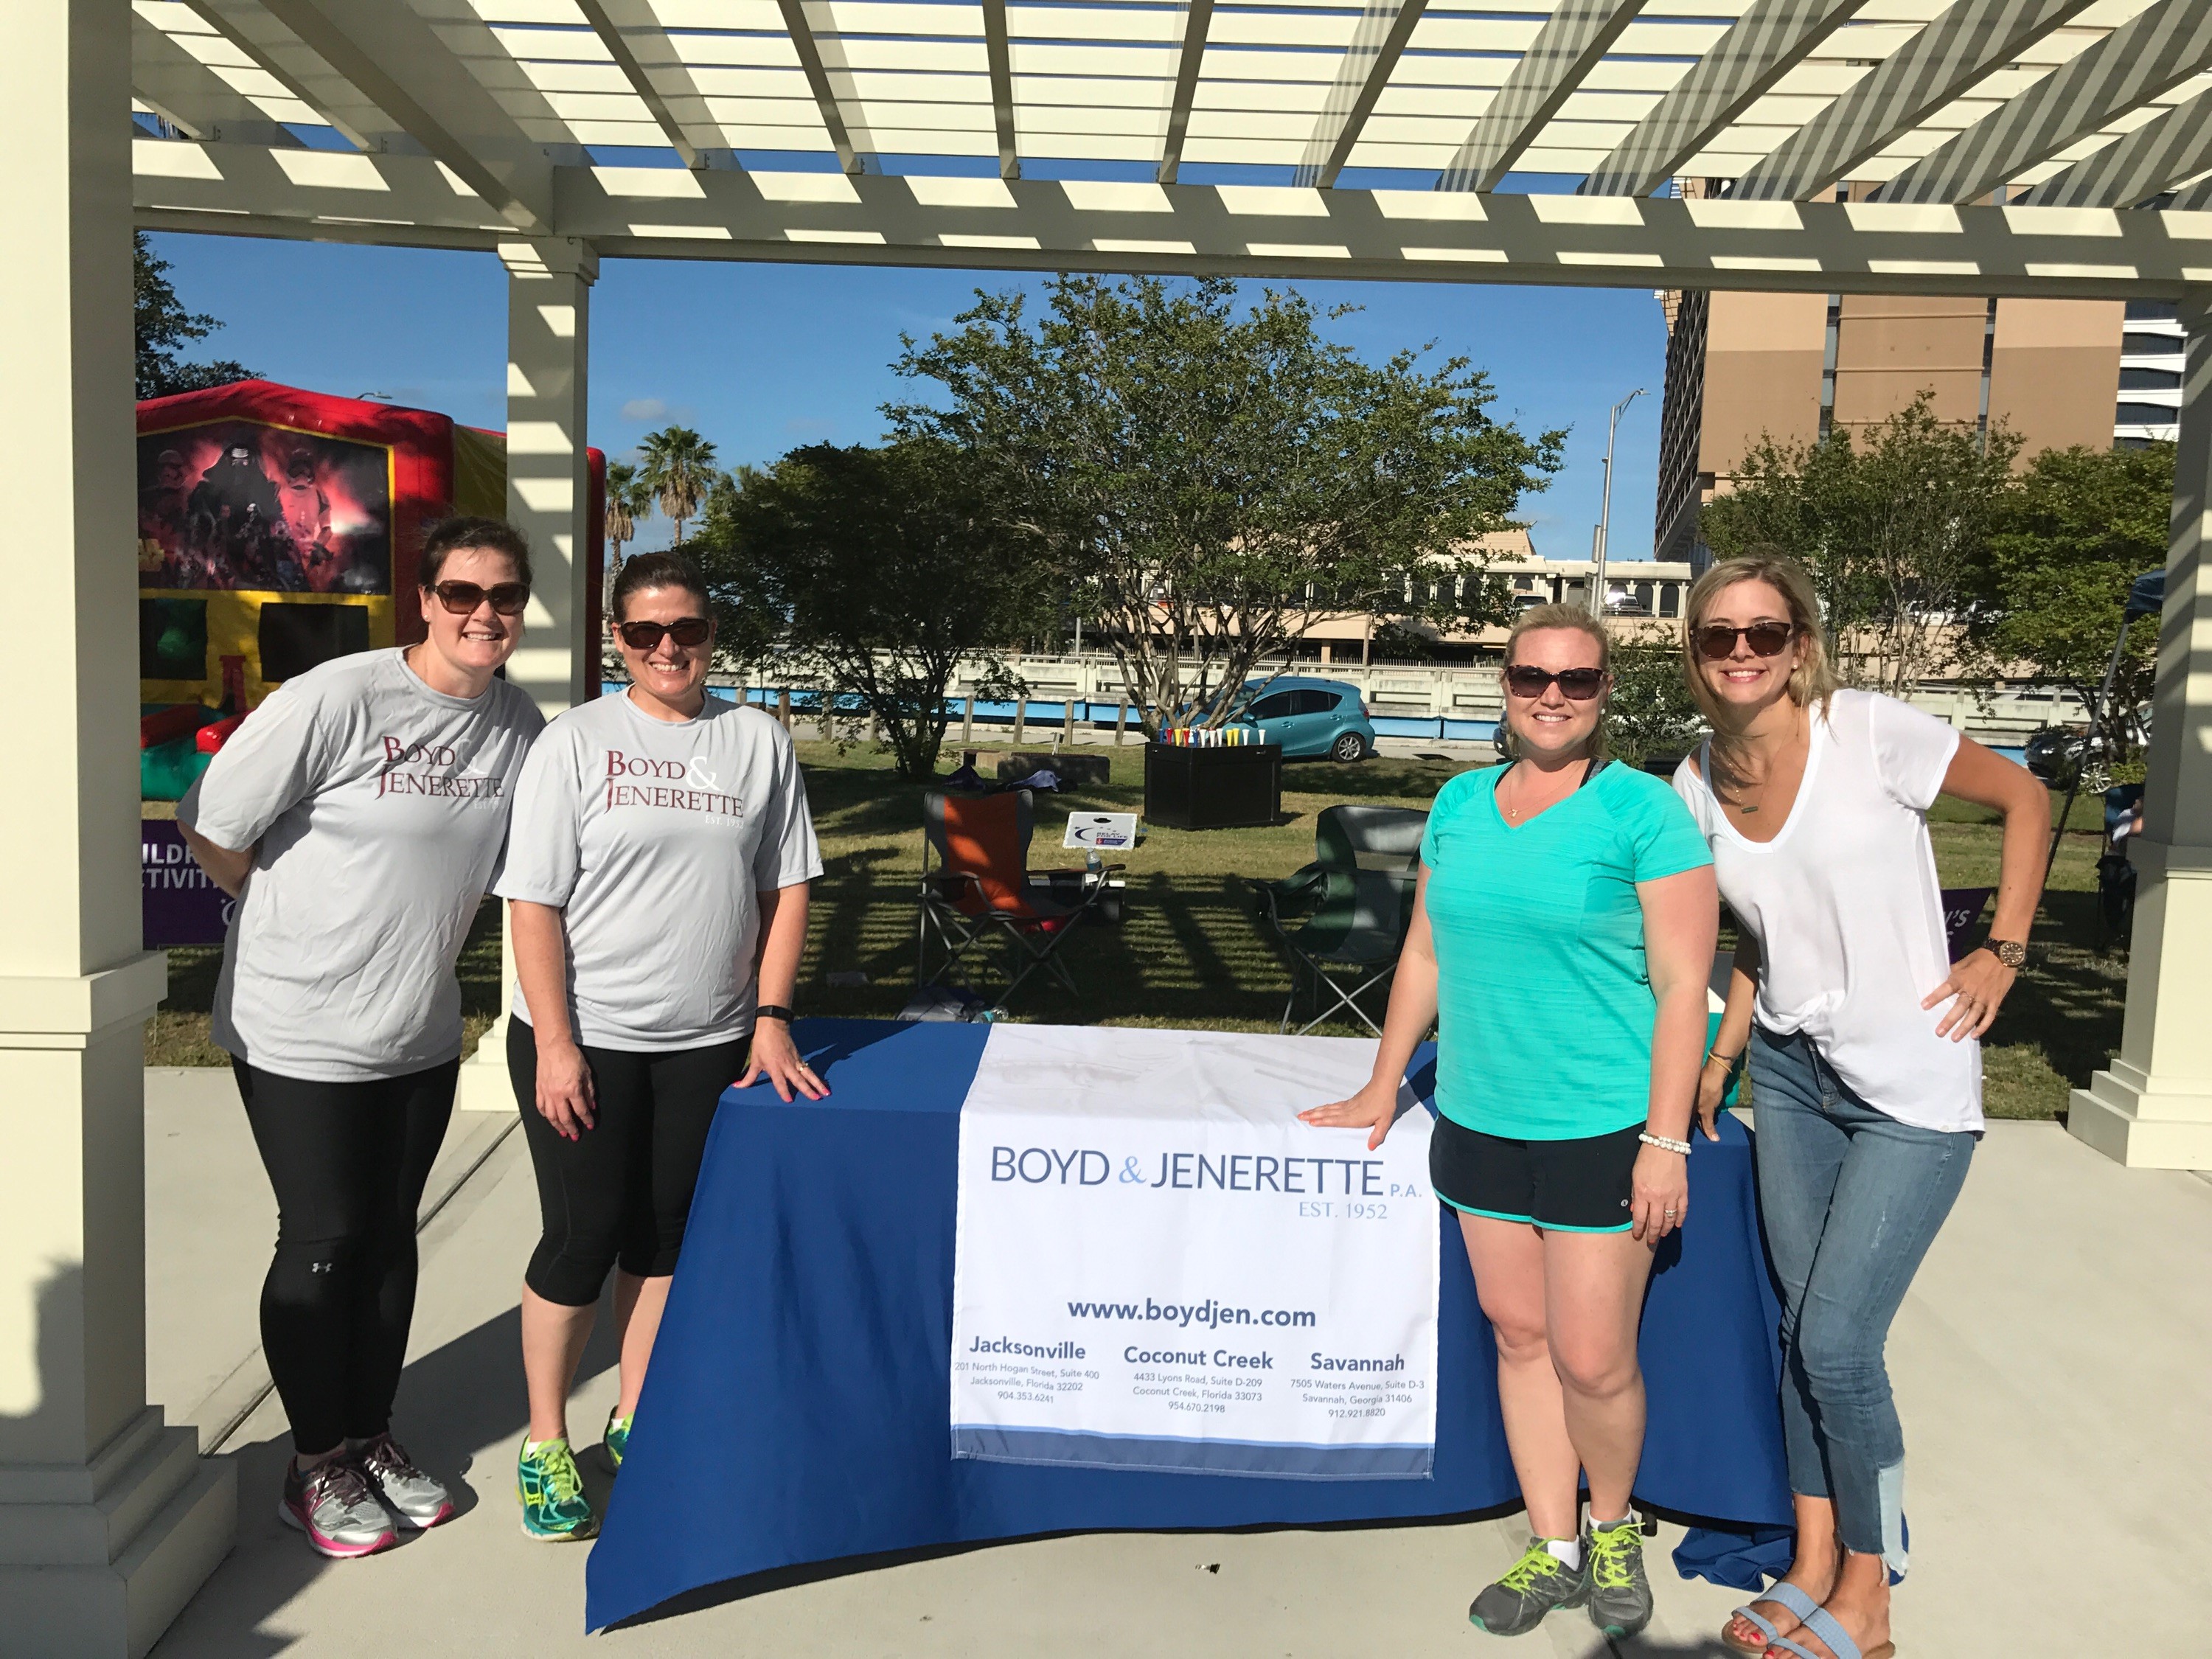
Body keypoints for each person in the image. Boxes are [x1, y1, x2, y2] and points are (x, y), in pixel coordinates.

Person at [1303, 603, 1717, 1641]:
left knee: (1591, 1356)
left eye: (1576, 680)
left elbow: (1681, 986)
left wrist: (1663, 1140)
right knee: (1521, 1335)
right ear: (1505, 683)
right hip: (1480, 1119)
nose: (1551, 695)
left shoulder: (1645, 814)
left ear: (1605, 691)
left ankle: (1612, 1525)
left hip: (1600, 1127)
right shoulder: (1456, 803)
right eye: (1533, 675)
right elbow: (1425, 955)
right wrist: (1382, 1081)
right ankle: (1554, 1542)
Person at [1675, 552, 2048, 1659]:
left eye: (1765, 632)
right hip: (1790, 1074)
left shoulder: (1868, 731)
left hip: (1911, 1086)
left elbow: (2024, 795)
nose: (1743, 651)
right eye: (1719, 635)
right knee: (1799, 1328)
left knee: (1839, 1341)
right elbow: (1761, 926)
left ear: (1801, 642)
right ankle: (1811, 1560)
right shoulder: (1699, 778)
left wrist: (2005, 950)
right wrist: (1726, 1045)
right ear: (1695, 655)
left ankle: (1871, 1598)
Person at [178, 517, 544, 1559]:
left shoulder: (519, 725)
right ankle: (314, 1460)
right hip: (297, 1021)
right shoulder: (342, 696)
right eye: (463, 593)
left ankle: (373, 1435)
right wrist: (282, 913)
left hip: (417, 1026)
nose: (485, 614)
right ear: (423, 599)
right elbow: (209, 819)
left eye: (505, 597)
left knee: (390, 1233)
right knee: (325, 1236)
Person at [497, 550, 826, 1542]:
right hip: (584, 1038)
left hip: (710, 1039)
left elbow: (789, 887)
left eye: (685, 629)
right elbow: (534, 901)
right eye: (645, 633)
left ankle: (638, 1413)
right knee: (583, 1234)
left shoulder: (757, 740)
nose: (667, 647)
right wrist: (556, 1041)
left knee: (666, 1233)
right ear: (618, 640)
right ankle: (546, 1439)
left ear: (712, 633)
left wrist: (771, 1016)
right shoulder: (576, 741)